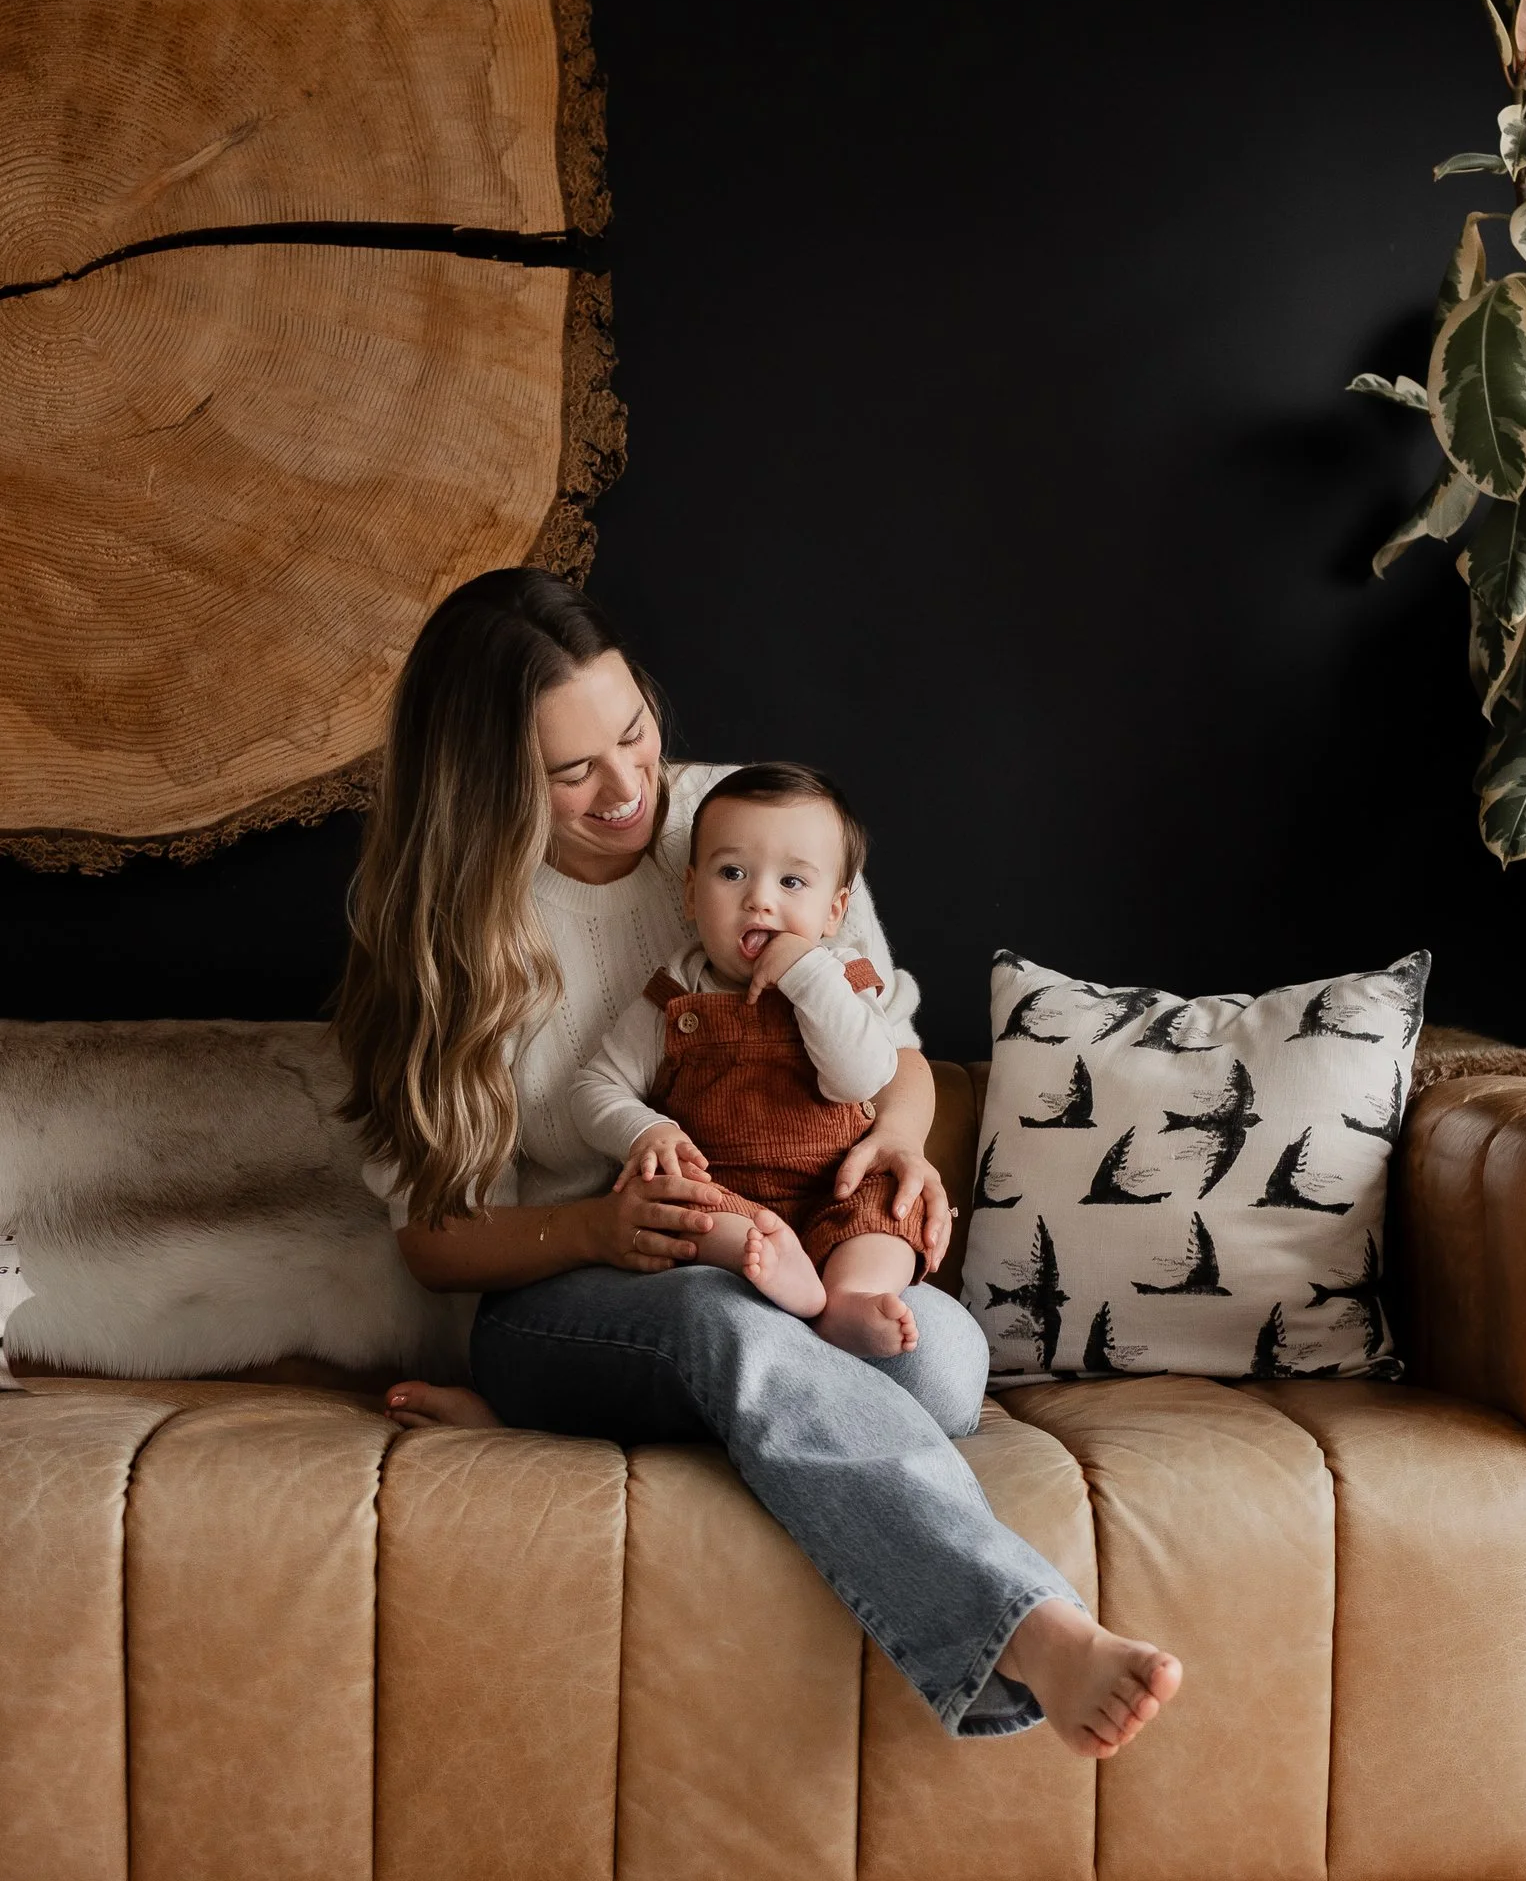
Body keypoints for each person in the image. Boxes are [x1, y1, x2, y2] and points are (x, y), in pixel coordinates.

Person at [333, 567, 1179, 1756]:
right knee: (719, 1322)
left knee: (939, 1363)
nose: (627, 787)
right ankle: (1026, 1626)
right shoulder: (438, 930)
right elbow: (429, 1241)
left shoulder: (748, 826)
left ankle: (551, 1422)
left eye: (633, 730)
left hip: (791, 1252)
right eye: (570, 771)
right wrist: (595, 1231)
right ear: (485, 784)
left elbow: (898, 1058)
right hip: (570, 1297)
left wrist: (897, 1138)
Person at [573, 762, 928, 1358]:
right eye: (732, 872)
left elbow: (861, 1078)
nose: (759, 899)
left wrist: (806, 971)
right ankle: (778, 1273)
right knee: (687, 1209)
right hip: (730, 1198)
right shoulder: (676, 993)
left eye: (793, 883)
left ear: (836, 911)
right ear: (691, 893)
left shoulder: (843, 978)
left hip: (835, 1192)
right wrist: (646, 1129)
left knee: (890, 1211)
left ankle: (850, 1299)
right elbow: (594, 1086)